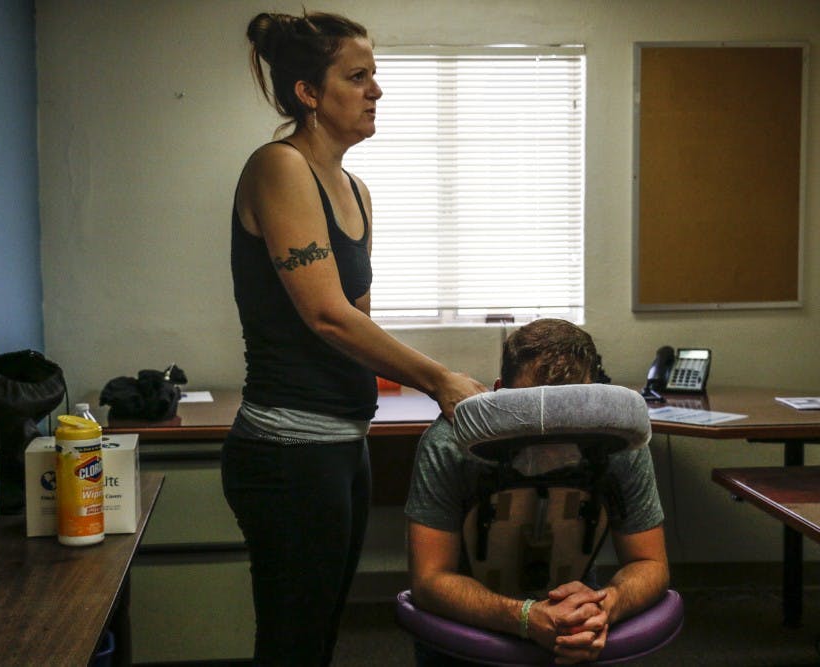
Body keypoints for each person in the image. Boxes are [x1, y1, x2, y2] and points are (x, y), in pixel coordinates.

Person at [220, 10, 486, 666]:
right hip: (287, 449)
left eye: (375, 75)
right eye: (358, 76)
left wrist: (424, 381)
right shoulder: (279, 167)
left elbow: (355, 324)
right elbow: (327, 316)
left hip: (343, 442)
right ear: (308, 92)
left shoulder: (356, 190)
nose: (377, 90)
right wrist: (439, 380)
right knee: (292, 644)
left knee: (320, 636)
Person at [405, 318, 669, 665]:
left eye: (569, 413)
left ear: (594, 396)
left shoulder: (619, 445)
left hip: (573, 613)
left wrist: (605, 606)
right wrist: (525, 617)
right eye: (529, 413)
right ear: (500, 392)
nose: (549, 436)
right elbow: (429, 580)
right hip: (469, 627)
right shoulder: (452, 444)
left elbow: (649, 563)